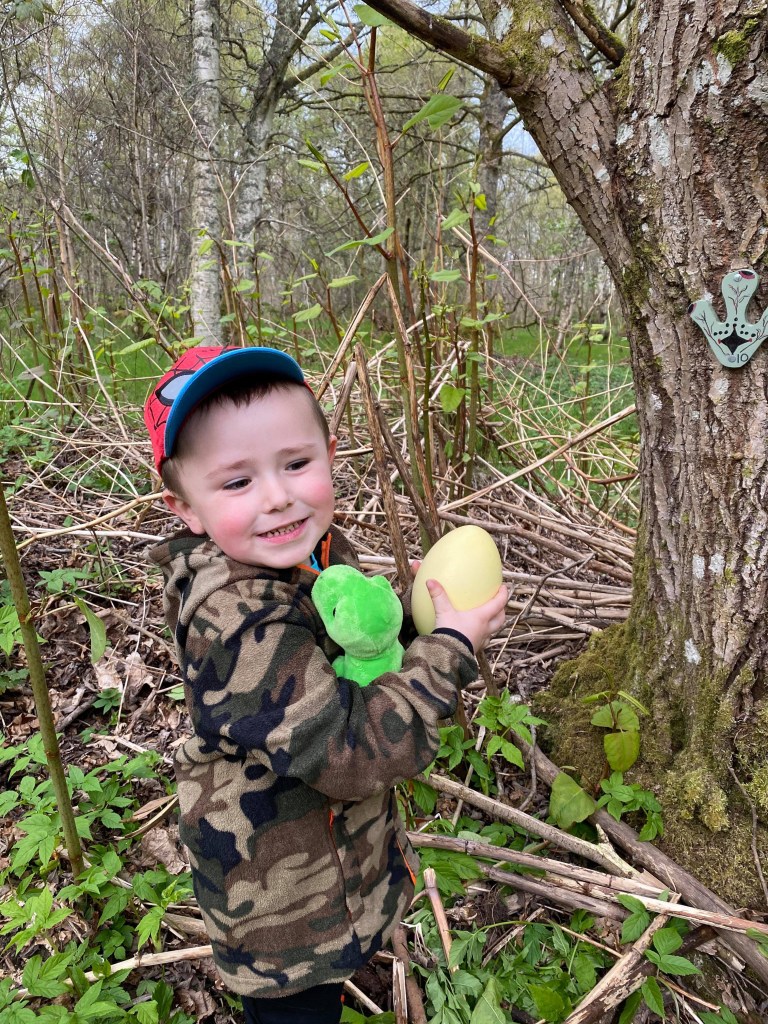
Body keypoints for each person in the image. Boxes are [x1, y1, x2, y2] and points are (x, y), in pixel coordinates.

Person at [144, 346, 508, 1024]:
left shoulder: (318, 555)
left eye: (295, 463)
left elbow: (356, 659)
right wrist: (448, 650)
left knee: (327, 992)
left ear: (329, 454)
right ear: (185, 507)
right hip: (281, 918)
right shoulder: (237, 622)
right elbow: (352, 751)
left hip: (336, 864)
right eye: (237, 482)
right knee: (300, 1013)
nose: (277, 495)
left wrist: (409, 630)